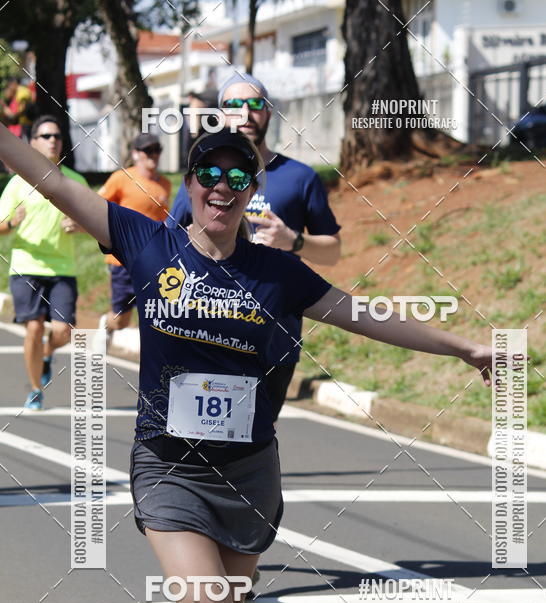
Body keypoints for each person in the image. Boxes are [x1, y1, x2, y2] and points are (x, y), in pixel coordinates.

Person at [0, 121, 493, 603]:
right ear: (190, 184)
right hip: (169, 466)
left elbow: (368, 315)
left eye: (239, 177)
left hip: (250, 473)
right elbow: (49, 177)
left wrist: (462, 346)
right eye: (210, 175)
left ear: (253, 191)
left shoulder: (278, 273)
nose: (222, 189)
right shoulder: (146, 242)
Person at [168, 74, 341, 420]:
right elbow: (168, 244)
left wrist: (294, 241)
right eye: (233, 105)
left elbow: (333, 251)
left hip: (273, 341)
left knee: (254, 445)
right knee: (196, 442)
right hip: (205, 332)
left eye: (255, 104)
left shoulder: (300, 177)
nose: (245, 113)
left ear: (269, 113)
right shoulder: (203, 175)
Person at [0, 115, 86, 409]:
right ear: (33, 143)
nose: (53, 141)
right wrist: (11, 222)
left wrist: (80, 225)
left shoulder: (76, 181)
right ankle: (36, 388)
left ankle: (47, 354)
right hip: (26, 267)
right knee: (34, 328)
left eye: (57, 136)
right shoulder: (17, 183)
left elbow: (98, 225)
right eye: (46, 136)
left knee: (64, 332)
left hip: (63, 269)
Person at [96, 132, 171, 343]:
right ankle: (106, 324)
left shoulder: (165, 184)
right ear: (135, 154)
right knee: (121, 320)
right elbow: (98, 206)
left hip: (153, 261)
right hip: (122, 261)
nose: (153, 155)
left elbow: (164, 221)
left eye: (157, 150)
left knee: (156, 313)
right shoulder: (122, 178)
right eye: (148, 150)